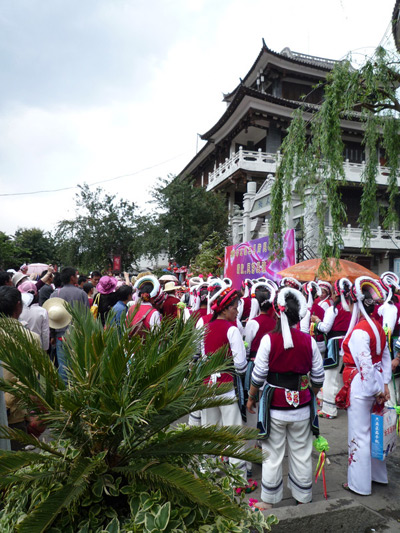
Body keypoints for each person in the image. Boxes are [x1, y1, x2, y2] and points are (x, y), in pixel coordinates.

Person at [247, 287, 324, 509]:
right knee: (301, 453)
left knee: (272, 454)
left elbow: (258, 374)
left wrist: (251, 397)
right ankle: (303, 497)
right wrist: (311, 394)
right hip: (302, 406)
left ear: (277, 312)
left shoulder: (269, 340)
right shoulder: (308, 340)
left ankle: (269, 501)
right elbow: (318, 376)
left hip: (275, 408)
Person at [340, 277, 391, 496]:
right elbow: (386, 357)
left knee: (360, 434)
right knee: (374, 430)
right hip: (375, 381)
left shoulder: (360, 330)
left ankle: (359, 484)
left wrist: (375, 390)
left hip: (363, 385)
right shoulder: (378, 328)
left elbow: (365, 365)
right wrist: (384, 385)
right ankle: (377, 476)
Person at [201, 286, 250, 485]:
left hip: (207, 385)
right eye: (235, 307)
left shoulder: (204, 325)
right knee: (234, 431)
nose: (237, 311)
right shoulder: (231, 329)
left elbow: (201, 355)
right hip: (226, 386)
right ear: (225, 309)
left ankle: (206, 471)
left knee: (208, 429)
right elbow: (240, 365)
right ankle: (237, 476)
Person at [0, 286, 42, 450]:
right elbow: (28, 379)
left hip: (11, 411)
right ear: (18, 306)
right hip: (14, 416)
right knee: (15, 468)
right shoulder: (30, 338)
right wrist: (7, 405)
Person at [311, 278, 352, 419]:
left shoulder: (333, 309)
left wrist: (317, 322)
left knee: (329, 377)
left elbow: (325, 328)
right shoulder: (352, 309)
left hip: (334, 343)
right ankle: (341, 402)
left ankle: (329, 409)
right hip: (348, 344)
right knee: (341, 376)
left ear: (336, 293)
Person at [48, 267, 89, 381]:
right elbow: (86, 316)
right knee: (79, 366)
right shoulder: (82, 294)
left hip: (61, 335)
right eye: (76, 276)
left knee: (63, 366)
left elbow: (51, 316)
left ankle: (65, 394)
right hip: (78, 334)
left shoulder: (55, 294)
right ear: (72, 278)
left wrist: (52, 335)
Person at [18, 280, 50, 351]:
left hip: (20, 348)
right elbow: (45, 334)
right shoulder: (42, 311)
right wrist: (45, 350)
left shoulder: (16, 310)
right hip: (37, 349)